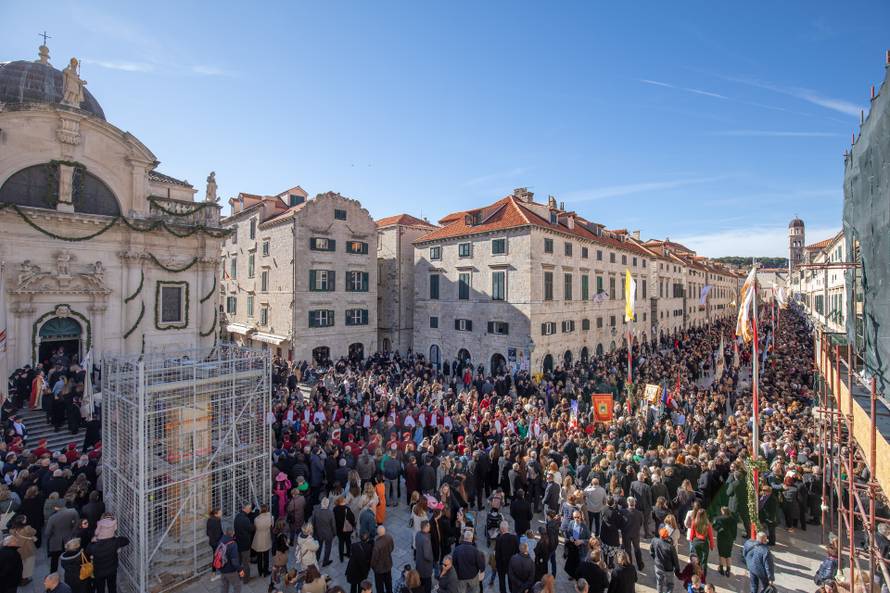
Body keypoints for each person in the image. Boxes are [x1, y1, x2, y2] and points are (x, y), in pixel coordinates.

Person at [85, 514, 130, 593]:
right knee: (112, 587)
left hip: (98, 572)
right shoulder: (115, 542)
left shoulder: (93, 546)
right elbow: (126, 540)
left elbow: (87, 551)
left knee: (100, 589)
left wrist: (93, 540)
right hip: (112, 570)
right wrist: (114, 537)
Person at [45, 499, 79, 573]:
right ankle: (70, 573)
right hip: (69, 540)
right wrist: (72, 533)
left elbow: (47, 532)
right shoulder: (73, 512)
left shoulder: (52, 518)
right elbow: (76, 524)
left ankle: (53, 575)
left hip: (56, 542)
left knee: (54, 561)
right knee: (70, 558)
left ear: (56, 507)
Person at [452, 528, 485, 593]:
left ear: (464, 537)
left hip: (461, 577)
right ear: (471, 538)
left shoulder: (456, 550)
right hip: (472, 577)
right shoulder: (475, 550)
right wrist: (481, 570)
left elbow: (454, 564)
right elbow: (481, 565)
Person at [218, 522, 245, 593]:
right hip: (230, 570)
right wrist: (240, 570)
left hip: (222, 568)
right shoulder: (233, 544)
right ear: (233, 533)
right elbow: (234, 561)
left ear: (225, 533)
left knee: (224, 586)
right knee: (237, 586)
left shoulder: (221, 540)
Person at [686, 509, 714, 577]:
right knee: (704, 562)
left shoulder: (694, 522)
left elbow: (691, 535)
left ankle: (695, 575)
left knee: (696, 560)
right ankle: (703, 577)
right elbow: (711, 536)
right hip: (704, 543)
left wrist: (692, 542)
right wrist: (711, 546)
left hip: (696, 542)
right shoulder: (708, 524)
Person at [494, 521, 519, 593]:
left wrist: (497, 564)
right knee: (511, 581)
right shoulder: (514, 538)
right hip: (512, 564)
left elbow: (497, 555)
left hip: (501, 565)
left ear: (501, 529)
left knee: (502, 582)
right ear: (508, 528)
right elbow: (518, 551)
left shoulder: (499, 540)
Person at [712, 506, 737, 577]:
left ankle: (721, 569)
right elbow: (735, 530)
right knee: (728, 554)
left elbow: (714, 527)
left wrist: (719, 529)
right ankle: (728, 570)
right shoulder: (733, 519)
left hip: (721, 538)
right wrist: (733, 538)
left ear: (722, 511)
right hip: (730, 539)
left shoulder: (718, 518)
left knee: (721, 554)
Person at [621, 497, 644, 571]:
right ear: (635, 503)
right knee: (637, 549)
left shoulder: (623, 512)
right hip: (636, 534)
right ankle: (640, 565)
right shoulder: (639, 513)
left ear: (628, 503)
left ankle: (630, 565)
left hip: (626, 534)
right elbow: (641, 523)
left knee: (628, 550)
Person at [234, 503, 255, 582]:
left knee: (239, 562)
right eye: (249, 509)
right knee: (246, 563)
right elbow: (251, 529)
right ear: (245, 509)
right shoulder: (245, 519)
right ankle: (246, 579)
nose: (250, 510)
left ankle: (239, 576)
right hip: (245, 544)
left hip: (238, 543)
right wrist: (254, 525)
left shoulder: (237, 516)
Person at [312, 497, 336, 567]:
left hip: (318, 533)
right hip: (328, 534)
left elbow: (313, 523)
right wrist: (334, 533)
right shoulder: (330, 513)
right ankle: (325, 561)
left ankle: (317, 559)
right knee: (328, 548)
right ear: (328, 504)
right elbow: (333, 525)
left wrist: (314, 532)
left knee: (319, 547)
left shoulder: (315, 512)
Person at [370, 525, 395, 593]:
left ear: (378, 533)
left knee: (379, 586)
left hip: (379, 569)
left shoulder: (377, 545)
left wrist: (373, 566)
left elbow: (374, 559)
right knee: (388, 583)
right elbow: (392, 548)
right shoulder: (389, 537)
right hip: (388, 565)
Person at [252, 504, 273, 578]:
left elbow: (255, 527)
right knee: (266, 557)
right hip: (266, 537)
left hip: (258, 538)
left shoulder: (256, 519)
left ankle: (260, 572)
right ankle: (266, 571)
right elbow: (271, 525)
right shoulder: (270, 517)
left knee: (259, 557)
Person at [334, 496, 357, 562]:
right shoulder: (347, 509)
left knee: (341, 543)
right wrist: (353, 526)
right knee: (348, 542)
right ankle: (348, 554)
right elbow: (352, 519)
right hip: (347, 530)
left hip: (339, 530)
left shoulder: (335, 509)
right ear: (343, 501)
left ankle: (341, 558)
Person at [415, 520, 435, 593]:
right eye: (429, 526)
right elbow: (427, 556)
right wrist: (432, 559)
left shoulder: (418, 534)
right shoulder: (426, 540)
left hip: (419, 564)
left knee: (421, 582)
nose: (430, 527)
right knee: (427, 584)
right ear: (425, 527)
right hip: (425, 567)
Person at [207, 509, 223, 573]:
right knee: (217, 557)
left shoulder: (212, 520)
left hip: (213, 541)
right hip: (216, 542)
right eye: (220, 513)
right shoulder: (216, 521)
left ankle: (214, 570)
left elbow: (208, 533)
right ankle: (216, 571)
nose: (221, 514)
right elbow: (218, 533)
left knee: (216, 556)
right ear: (216, 514)